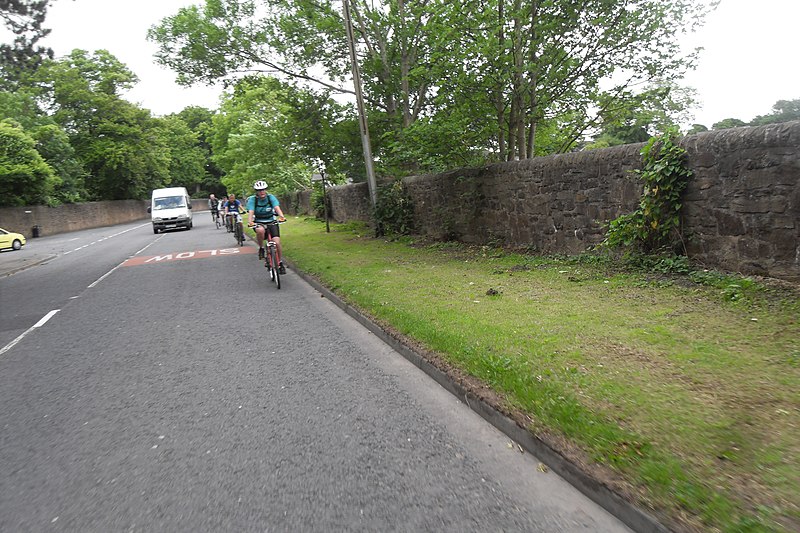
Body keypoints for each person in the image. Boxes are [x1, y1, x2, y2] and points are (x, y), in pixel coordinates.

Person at [246, 180, 287, 273]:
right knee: (260, 231)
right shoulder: (253, 199)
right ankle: (261, 248)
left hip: (271, 221)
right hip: (259, 221)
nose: (262, 192)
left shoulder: (270, 197)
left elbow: (276, 207)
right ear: (256, 191)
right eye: (259, 190)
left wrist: (281, 216)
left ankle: (280, 263)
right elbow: (251, 211)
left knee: (276, 243)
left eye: (263, 190)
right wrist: (250, 221)